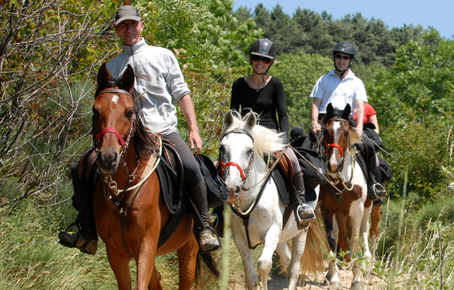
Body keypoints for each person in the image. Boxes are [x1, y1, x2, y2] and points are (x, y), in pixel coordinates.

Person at [59, 5, 220, 253]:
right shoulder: (112, 66)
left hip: (162, 131)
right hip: (124, 138)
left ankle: (203, 227)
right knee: (82, 166)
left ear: (141, 25)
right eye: (123, 25)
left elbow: (181, 92)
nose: (129, 28)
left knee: (189, 166)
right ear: (116, 29)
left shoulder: (163, 55)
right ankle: (88, 232)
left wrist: (193, 129)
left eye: (133, 23)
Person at [228, 38, 316, 228]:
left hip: (270, 136)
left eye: (265, 60)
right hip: (246, 135)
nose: (260, 63)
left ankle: (301, 206)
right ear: (251, 59)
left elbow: (282, 113)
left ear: (271, 63)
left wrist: (283, 138)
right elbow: (234, 114)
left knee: (292, 160)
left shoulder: (276, 84)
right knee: (224, 161)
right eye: (257, 58)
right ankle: (219, 213)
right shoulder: (239, 85)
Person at [309, 41, 386, 200]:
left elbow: (359, 105)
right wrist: (314, 122)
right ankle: (304, 192)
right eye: (339, 57)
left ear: (351, 60)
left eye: (345, 57)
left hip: (346, 124)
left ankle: (372, 185)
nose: (341, 60)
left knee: (369, 147)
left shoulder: (357, 82)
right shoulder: (323, 79)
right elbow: (316, 103)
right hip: (326, 122)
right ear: (334, 58)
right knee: (304, 148)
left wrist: (358, 127)